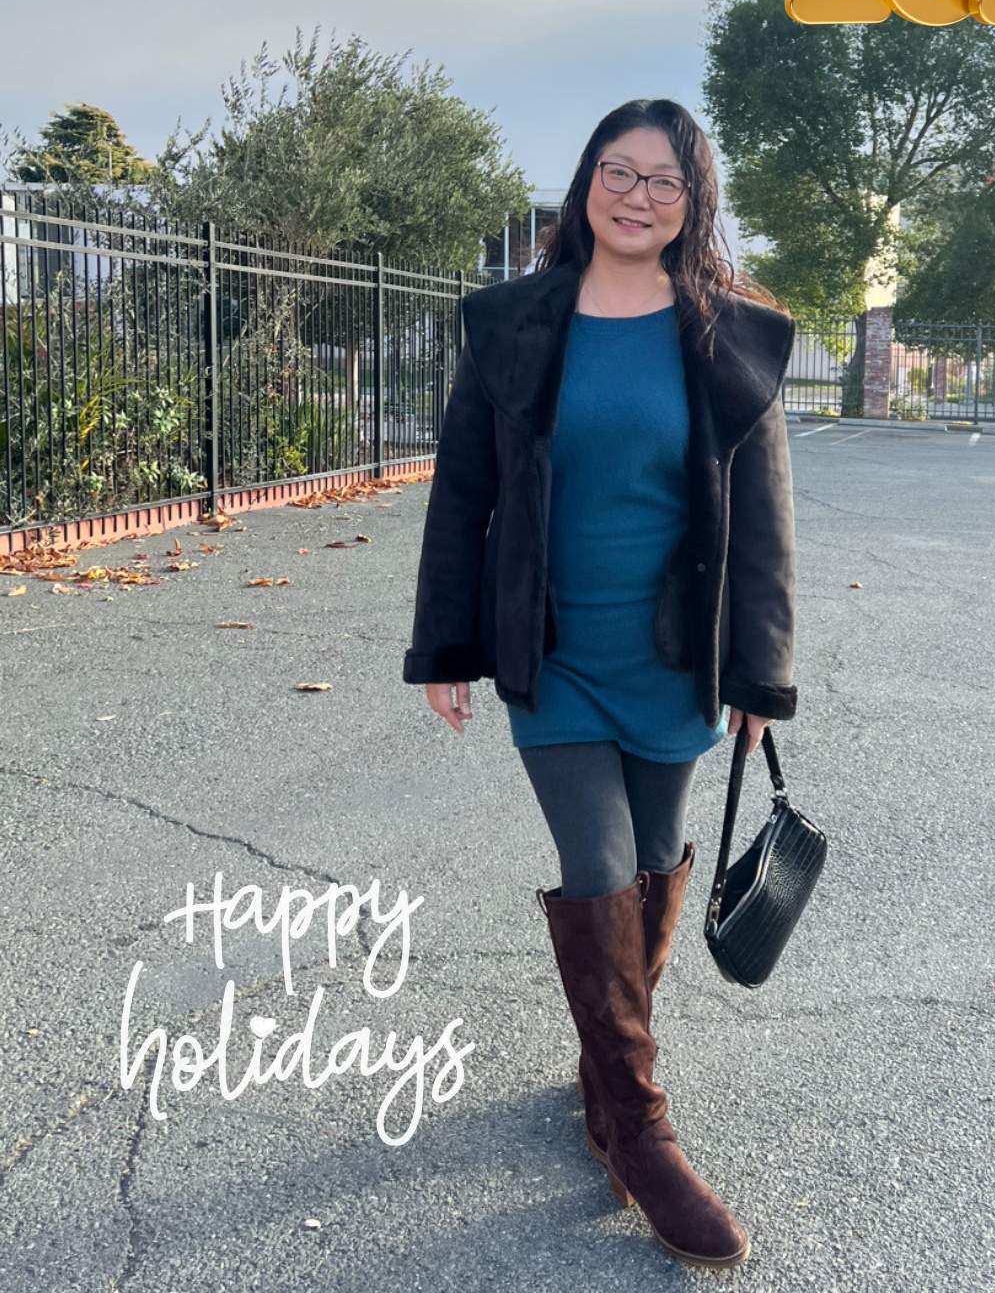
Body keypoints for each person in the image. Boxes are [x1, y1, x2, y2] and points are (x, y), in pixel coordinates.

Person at [402, 98, 799, 1270]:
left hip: (673, 658)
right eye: (617, 173)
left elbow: (766, 527)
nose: (638, 197)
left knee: (655, 870)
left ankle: (600, 1066)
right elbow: (461, 492)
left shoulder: (734, 334)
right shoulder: (514, 324)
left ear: (694, 203)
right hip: (556, 651)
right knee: (598, 868)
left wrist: (760, 675)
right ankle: (638, 1128)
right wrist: (446, 648)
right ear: (585, 185)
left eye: (665, 181)